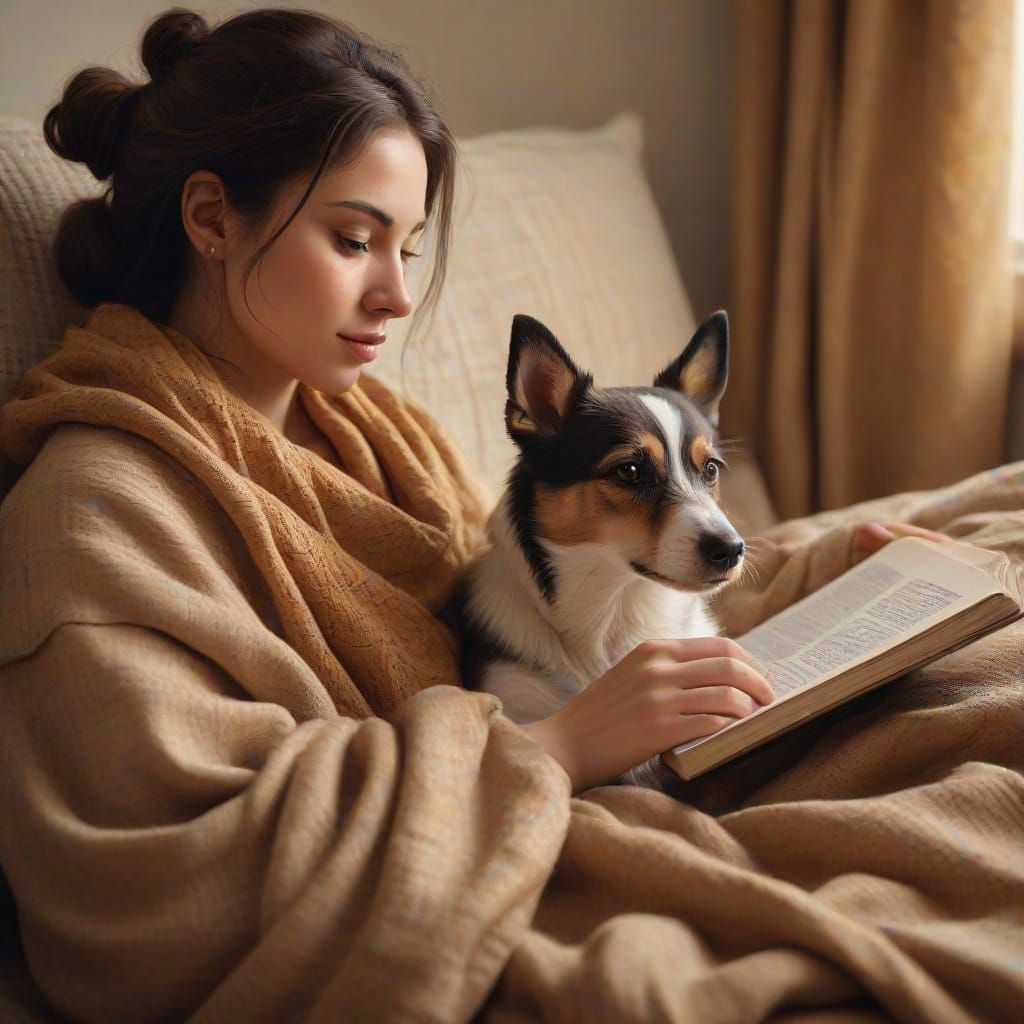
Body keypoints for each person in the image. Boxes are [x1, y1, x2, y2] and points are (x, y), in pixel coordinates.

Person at [0, 7, 948, 1023]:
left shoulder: (377, 435)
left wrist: (832, 566)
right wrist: (556, 749)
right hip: (475, 856)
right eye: (355, 239)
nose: (398, 295)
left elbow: (561, 586)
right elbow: (163, 885)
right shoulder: (95, 503)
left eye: (408, 247)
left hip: (549, 794)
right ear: (211, 218)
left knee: (973, 604)